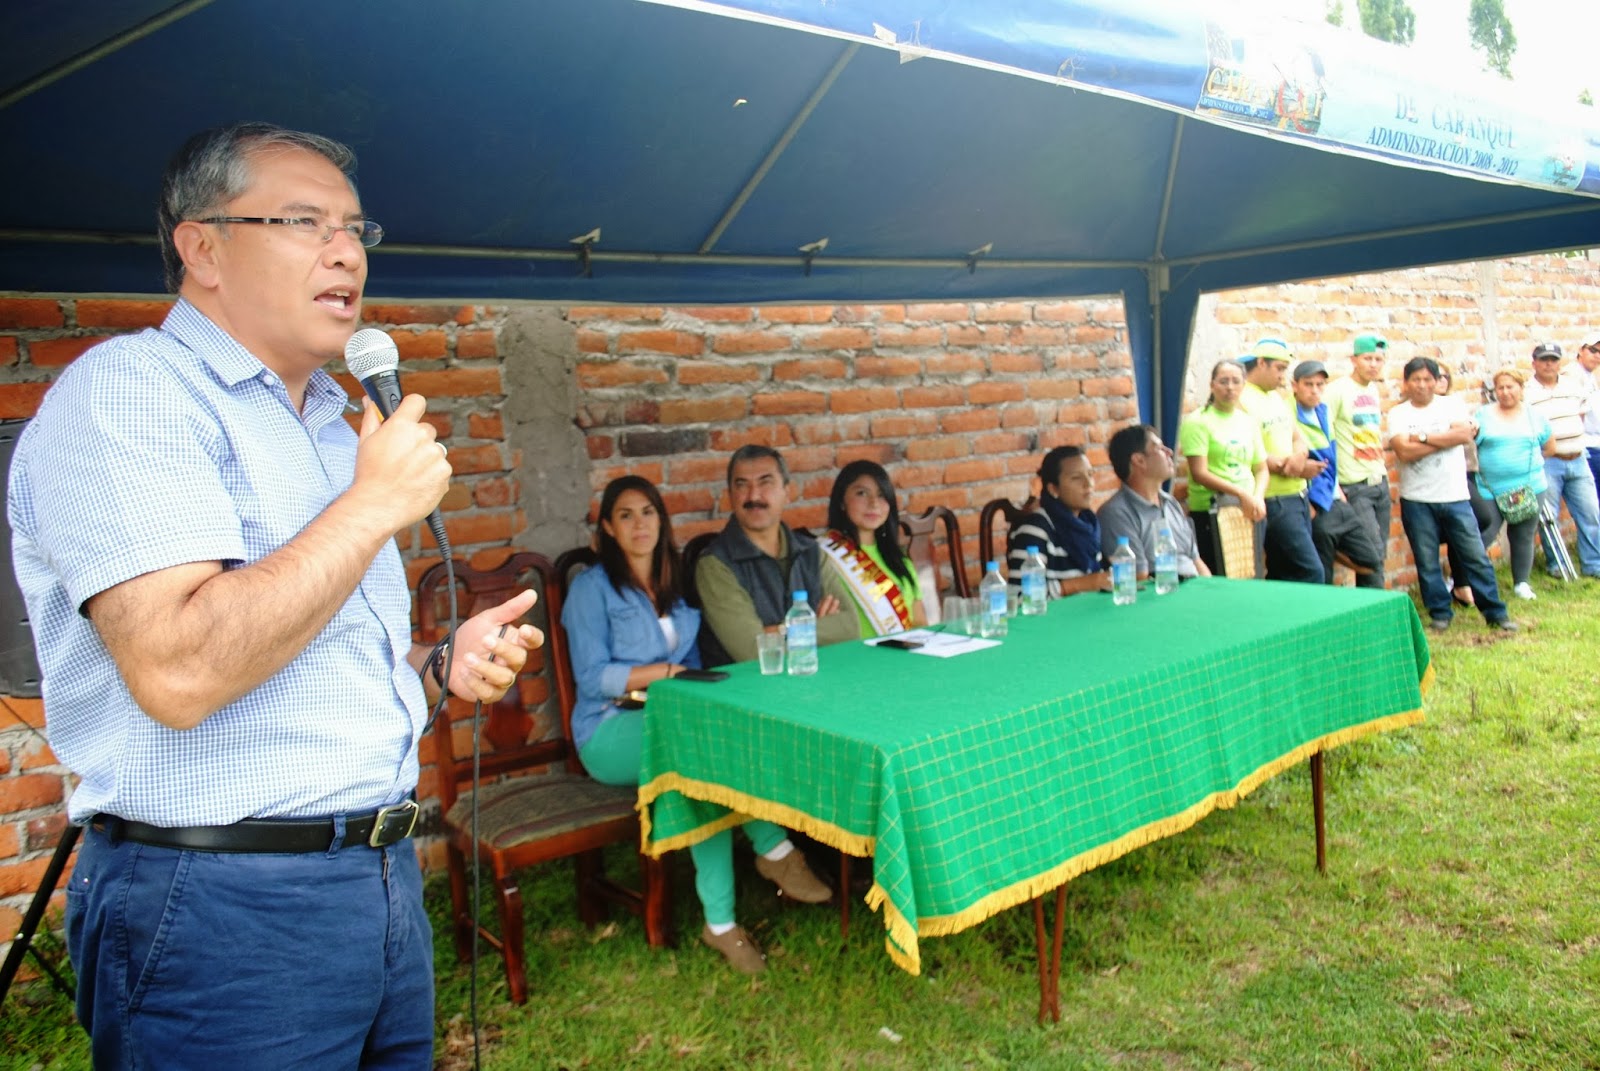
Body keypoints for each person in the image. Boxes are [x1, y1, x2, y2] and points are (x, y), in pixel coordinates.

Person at [6, 123, 542, 1069]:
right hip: (217, 903)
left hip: (379, 881)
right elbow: (179, 669)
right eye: (303, 221)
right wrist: (371, 507)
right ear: (201, 247)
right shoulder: (131, 395)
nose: (345, 250)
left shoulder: (340, 429)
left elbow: (323, 671)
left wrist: (438, 668)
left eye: (354, 228)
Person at [563, 475, 814, 974]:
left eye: (648, 512)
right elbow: (592, 679)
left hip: (674, 724)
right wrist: (664, 674)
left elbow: (696, 660)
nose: (640, 524)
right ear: (609, 529)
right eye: (626, 515)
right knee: (698, 758)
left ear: (662, 519)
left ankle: (719, 924)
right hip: (610, 729)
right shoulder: (591, 590)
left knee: (696, 773)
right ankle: (773, 847)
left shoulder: (674, 579)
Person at [696, 444, 861, 666]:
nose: (754, 495)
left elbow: (850, 628)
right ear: (730, 496)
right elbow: (753, 652)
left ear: (787, 492)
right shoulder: (715, 564)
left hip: (813, 681)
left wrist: (780, 629)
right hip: (746, 693)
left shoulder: (810, 552)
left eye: (765, 483)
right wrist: (817, 628)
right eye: (742, 485)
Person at [1384, 358, 1517, 632]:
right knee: (1427, 560)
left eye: (1427, 379)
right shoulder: (1399, 414)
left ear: (1436, 381)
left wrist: (1421, 437)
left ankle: (1495, 612)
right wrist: (1442, 438)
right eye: (1416, 380)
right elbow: (1404, 452)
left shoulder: (1452, 405)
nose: (1422, 385)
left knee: (1475, 557)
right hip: (1417, 499)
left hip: (1455, 496)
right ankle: (1440, 613)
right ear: (1406, 383)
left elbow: (1463, 436)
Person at [1237, 338, 1327, 583]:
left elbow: (1298, 437)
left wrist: (1299, 457)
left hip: (1298, 497)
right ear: (1261, 363)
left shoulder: (1278, 398)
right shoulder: (1242, 399)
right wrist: (1293, 468)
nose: (1283, 376)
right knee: (1310, 571)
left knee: (1283, 574)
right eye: (1279, 368)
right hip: (1273, 499)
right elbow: (1248, 453)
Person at [1291, 360, 1386, 584]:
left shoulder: (1323, 411)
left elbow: (1330, 457)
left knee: (1371, 559)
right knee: (1322, 575)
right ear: (1295, 386)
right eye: (1308, 384)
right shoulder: (1289, 413)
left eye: (1319, 385)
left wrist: (1337, 490)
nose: (1315, 390)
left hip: (1334, 498)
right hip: (1313, 502)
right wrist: (1308, 505)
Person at [1178, 359, 1267, 577]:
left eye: (1236, 381)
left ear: (1244, 385)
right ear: (1212, 385)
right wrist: (1241, 493)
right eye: (1223, 381)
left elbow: (1261, 468)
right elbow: (1199, 473)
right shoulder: (1198, 421)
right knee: (1220, 575)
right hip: (1212, 511)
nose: (1230, 387)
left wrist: (1258, 497)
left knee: (1249, 574)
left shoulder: (1248, 422)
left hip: (1247, 510)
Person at [1475, 366, 1557, 600]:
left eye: (1510, 387)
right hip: (1489, 489)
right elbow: (1472, 444)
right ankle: (1466, 581)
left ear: (1521, 389)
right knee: (1484, 532)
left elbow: (1550, 446)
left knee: (1523, 534)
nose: (1504, 392)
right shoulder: (1483, 415)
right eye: (1500, 387)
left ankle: (1521, 582)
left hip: (1528, 488)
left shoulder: (1535, 416)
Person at [821, 460, 928, 634]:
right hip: (853, 658)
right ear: (842, 501)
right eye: (862, 493)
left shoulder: (901, 561)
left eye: (881, 495)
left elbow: (920, 624)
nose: (874, 503)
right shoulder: (824, 558)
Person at [1524, 342, 1600, 578]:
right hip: (1549, 461)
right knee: (1549, 516)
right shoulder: (1527, 392)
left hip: (1578, 457)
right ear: (1534, 362)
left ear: (1560, 362)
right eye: (1544, 359)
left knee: (1590, 513)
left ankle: (1593, 564)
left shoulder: (1572, 385)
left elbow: (1580, 414)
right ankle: (1557, 564)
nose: (1549, 364)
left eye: (1554, 360)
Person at [1097, 424, 1210, 579]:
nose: (1169, 452)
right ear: (1139, 460)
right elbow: (1138, 577)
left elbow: (1196, 561)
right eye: (1159, 448)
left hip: (1195, 589)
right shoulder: (1116, 513)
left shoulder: (1171, 503)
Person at [1325, 333, 1391, 588]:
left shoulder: (1373, 389)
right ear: (1354, 360)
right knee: (1371, 555)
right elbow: (1325, 438)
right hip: (1355, 485)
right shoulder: (1337, 390)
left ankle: (1373, 611)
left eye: (1378, 359)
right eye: (1368, 358)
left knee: (1379, 553)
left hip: (1379, 481)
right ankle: (1378, 616)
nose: (1374, 364)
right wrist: (1334, 484)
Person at [1006, 445, 1112, 596]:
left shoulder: (1088, 523)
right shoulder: (1036, 528)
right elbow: (1018, 596)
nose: (1088, 484)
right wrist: (1077, 585)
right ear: (1053, 489)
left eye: (1090, 474)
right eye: (1076, 478)